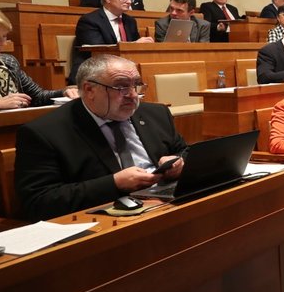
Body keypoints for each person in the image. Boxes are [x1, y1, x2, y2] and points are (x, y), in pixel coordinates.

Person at [15, 54, 186, 222]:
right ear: (90, 90)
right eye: (121, 87)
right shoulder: (45, 132)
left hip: (167, 204)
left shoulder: (155, 113)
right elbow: (38, 203)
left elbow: (184, 151)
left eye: (137, 85)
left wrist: (179, 162)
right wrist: (114, 183)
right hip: (103, 219)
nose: (133, 95)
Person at [0, 8, 78, 112]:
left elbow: (38, 97)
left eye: (4, 36)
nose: (2, 42)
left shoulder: (8, 62)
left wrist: (64, 92)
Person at [69, 0, 153, 84]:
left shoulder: (130, 21)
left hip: (125, 72)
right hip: (95, 73)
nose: (129, 2)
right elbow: (98, 52)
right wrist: (134, 44)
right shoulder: (89, 20)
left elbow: (134, 52)